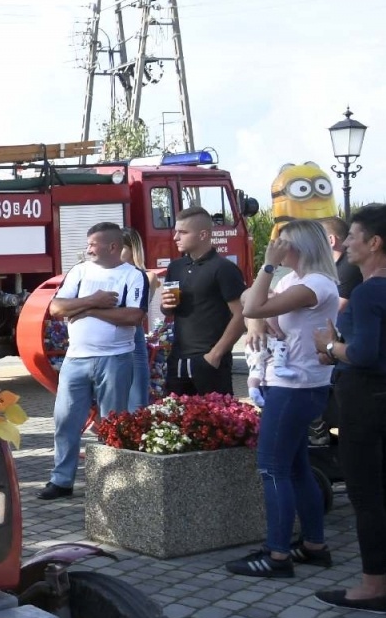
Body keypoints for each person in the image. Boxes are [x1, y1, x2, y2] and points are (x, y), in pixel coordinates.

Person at [311, 204, 386, 612]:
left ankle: (372, 587)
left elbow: (364, 352)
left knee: (366, 496)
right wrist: (337, 350)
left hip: (363, 399)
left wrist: (328, 345)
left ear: (374, 243)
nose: (347, 243)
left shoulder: (370, 290)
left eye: (354, 237)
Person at [226, 220, 341, 577]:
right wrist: (258, 321)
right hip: (289, 384)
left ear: (300, 247)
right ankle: (313, 545)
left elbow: (254, 307)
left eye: (282, 243)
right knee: (295, 467)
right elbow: (252, 300)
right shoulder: (295, 282)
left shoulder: (316, 285)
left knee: (272, 469)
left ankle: (277, 555)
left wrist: (267, 265)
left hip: (298, 387)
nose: (277, 246)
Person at [39, 222, 148, 500]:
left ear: (113, 247)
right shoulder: (79, 272)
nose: (87, 249)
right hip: (76, 359)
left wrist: (89, 310)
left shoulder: (133, 276)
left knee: (112, 424)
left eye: (93, 244)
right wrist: (95, 300)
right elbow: (56, 308)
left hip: (115, 359)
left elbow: (133, 317)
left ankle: (111, 483)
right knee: (65, 420)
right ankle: (61, 481)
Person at [162, 207, 246, 396]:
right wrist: (166, 306)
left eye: (183, 232)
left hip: (209, 359)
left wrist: (216, 354)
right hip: (178, 358)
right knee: (175, 422)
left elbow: (241, 314)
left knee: (216, 422)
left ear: (203, 234)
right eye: (176, 231)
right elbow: (169, 311)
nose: (176, 237)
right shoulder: (176, 267)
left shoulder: (223, 268)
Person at [119, 228, 157, 410]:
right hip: (107, 340)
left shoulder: (146, 276)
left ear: (132, 249)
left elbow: (135, 310)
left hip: (133, 338)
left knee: (136, 399)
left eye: (120, 248)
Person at [319, 215, 362, 301]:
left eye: (316, 239)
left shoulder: (349, 267)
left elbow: (335, 309)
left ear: (331, 240)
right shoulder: (328, 267)